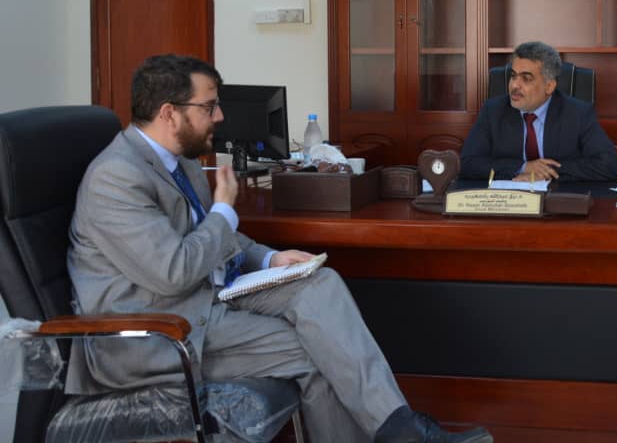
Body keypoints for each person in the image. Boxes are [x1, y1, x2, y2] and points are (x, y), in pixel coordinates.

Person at [65, 54, 492, 443]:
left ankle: (401, 429)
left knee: (320, 284)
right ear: (168, 113)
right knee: (317, 348)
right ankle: (403, 434)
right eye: (209, 107)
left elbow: (213, 236)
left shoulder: (183, 159)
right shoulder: (116, 178)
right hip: (155, 334)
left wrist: (269, 258)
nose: (220, 116)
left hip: (206, 300)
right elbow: (174, 271)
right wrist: (223, 211)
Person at [460, 41, 617, 182]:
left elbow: (609, 165)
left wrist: (547, 171)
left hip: (558, 200)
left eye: (526, 78)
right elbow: (467, 163)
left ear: (549, 86)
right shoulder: (493, 110)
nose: (514, 85)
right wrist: (523, 167)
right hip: (508, 198)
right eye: (513, 76)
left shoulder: (578, 113)